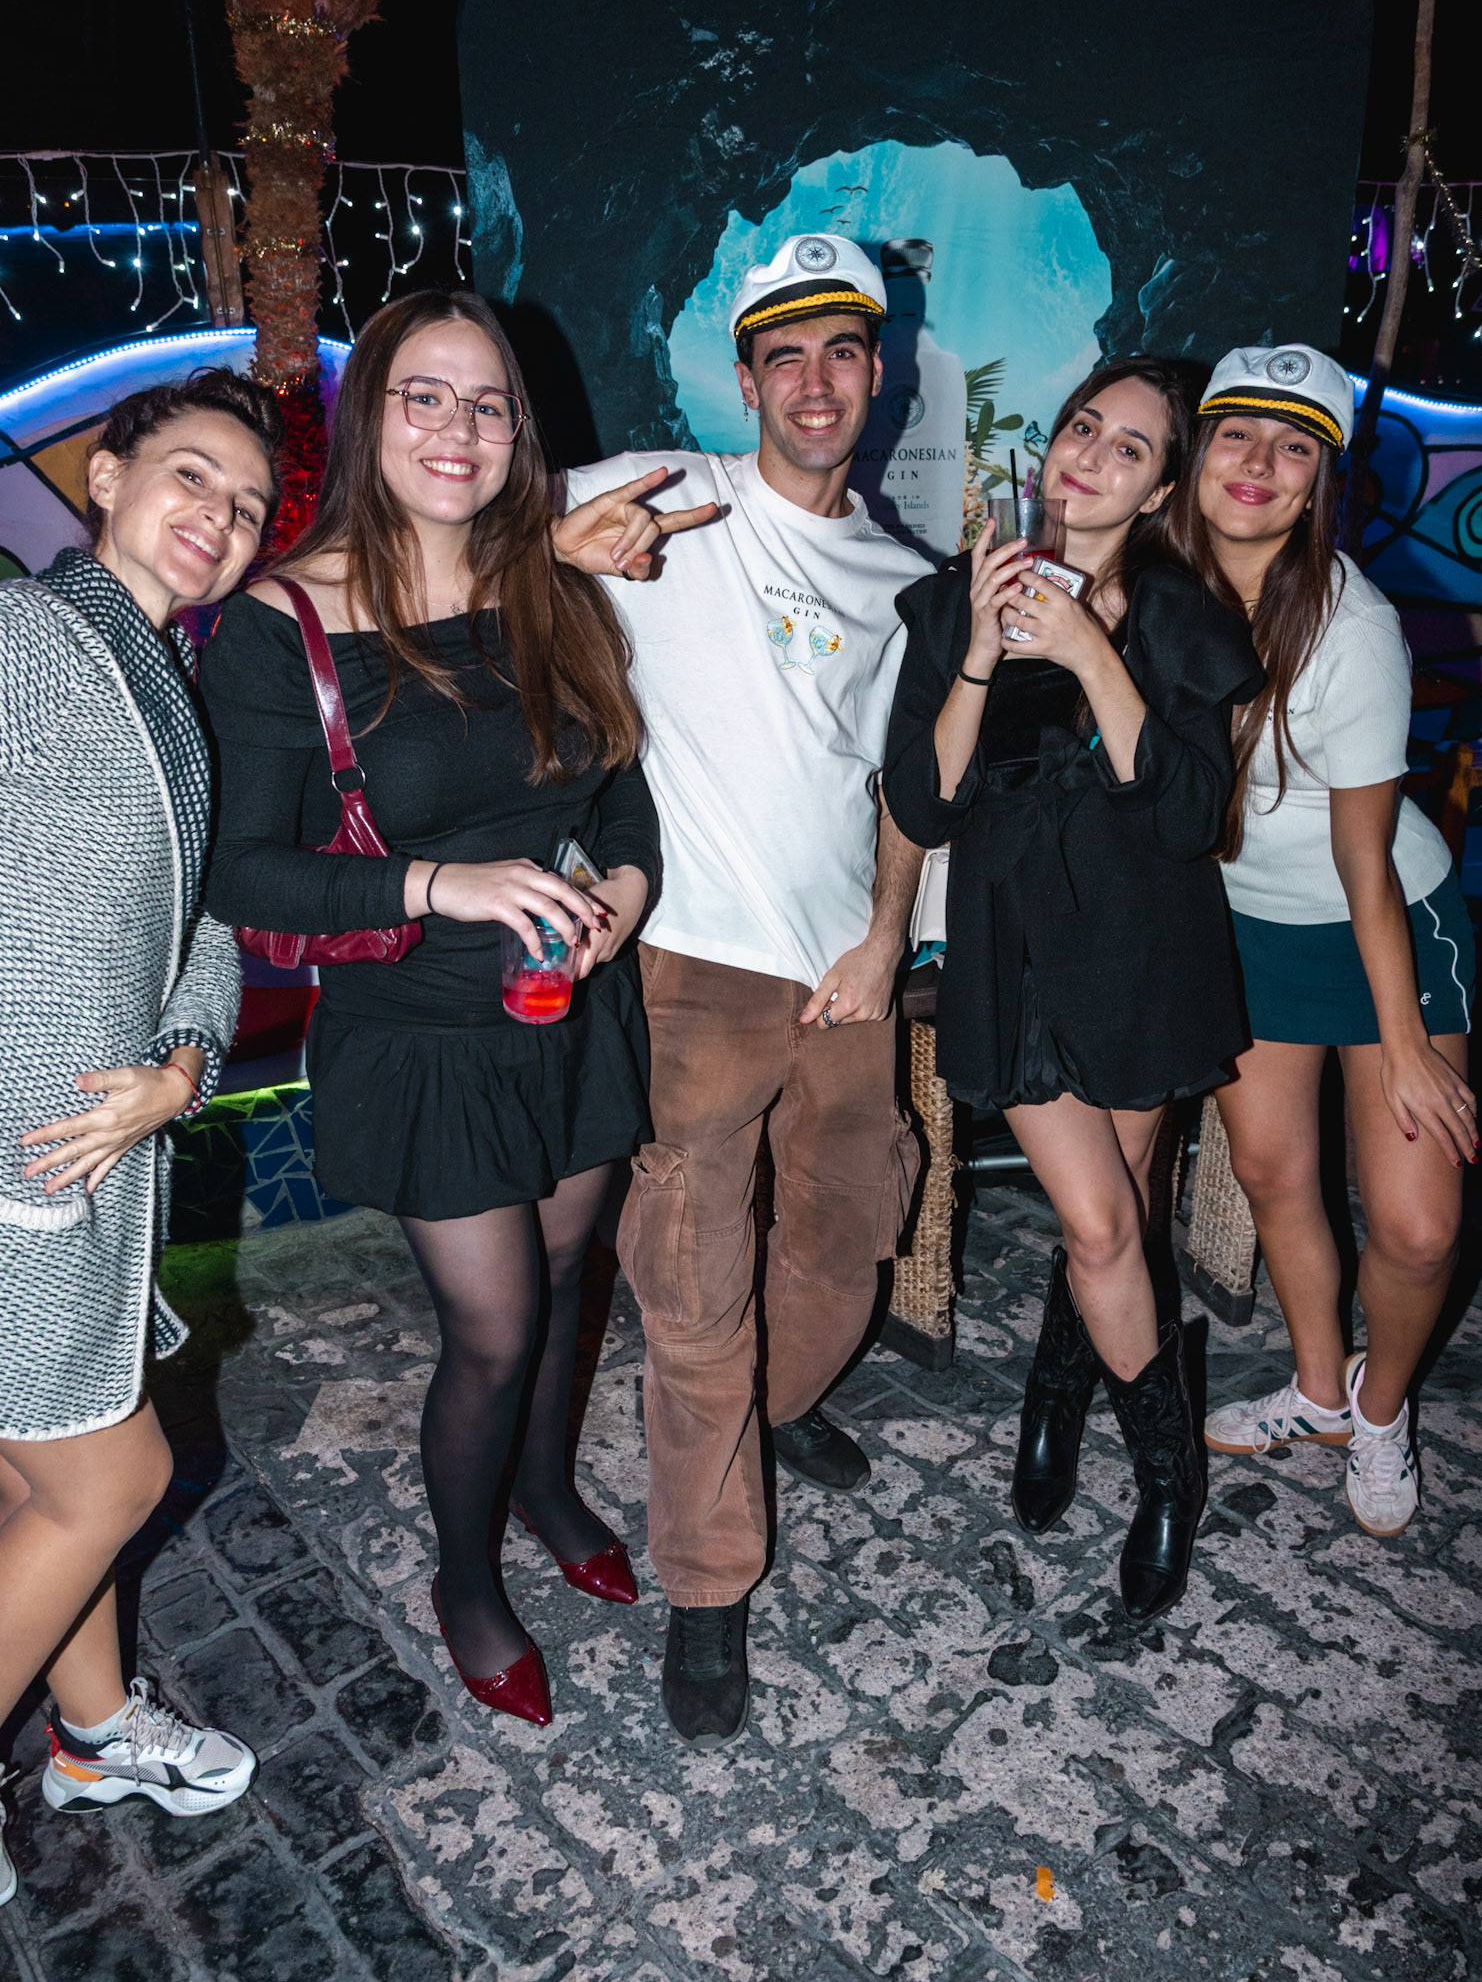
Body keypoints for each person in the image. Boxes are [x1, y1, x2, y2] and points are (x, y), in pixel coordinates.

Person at [202, 293, 706, 1726]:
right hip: (422, 1037)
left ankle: (545, 1484)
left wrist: (622, 893)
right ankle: (465, 1578)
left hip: (568, 1006)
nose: (458, 429)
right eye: (424, 395)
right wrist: (442, 883)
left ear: (517, 433)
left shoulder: (548, 585)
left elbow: (619, 783)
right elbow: (243, 871)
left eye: (488, 404)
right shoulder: (280, 622)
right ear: (370, 414)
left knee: (566, 1279)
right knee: (493, 1328)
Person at [557, 234, 926, 1745]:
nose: (814, 382)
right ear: (746, 376)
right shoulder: (654, 490)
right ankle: (709, 1576)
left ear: (878, 370)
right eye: (786, 355)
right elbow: (433, 543)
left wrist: (889, 934)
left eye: (841, 351)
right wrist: (549, 549)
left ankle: (766, 1415)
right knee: (695, 1286)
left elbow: (905, 786)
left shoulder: (903, 577)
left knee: (848, 1239)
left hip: (844, 978)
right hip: (693, 968)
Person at [883, 356, 1265, 1625]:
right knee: (1101, 1224)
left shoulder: (1181, 619)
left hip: (1145, 952)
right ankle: (1170, 1477)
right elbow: (924, 803)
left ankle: (1055, 1393)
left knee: (1124, 1207)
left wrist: (1092, 651)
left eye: (1130, 447)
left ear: (1159, 492)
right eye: (1082, 427)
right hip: (1014, 953)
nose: (1091, 455)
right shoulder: (956, 599)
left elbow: (1187, 817)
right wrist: (982, 651)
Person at [0, 370, 280, 1900]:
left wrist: (185, 1065)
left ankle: (96, 1730)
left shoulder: (169, 682)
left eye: (246, 504)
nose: (219, 517)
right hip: (19, 1176)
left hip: (97, 1171)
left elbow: (209, 923)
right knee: (109, 1479)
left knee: (35, 1485)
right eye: (190, 476)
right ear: (104, 478)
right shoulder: (26, 640)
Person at [1181, 346, 1477, 1538]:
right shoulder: (1156, 584)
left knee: (1417, 1224)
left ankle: (1380, 1406)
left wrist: (1401, 1041)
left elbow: (1364, 859)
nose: (1259, 462)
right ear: (1199, 453)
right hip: (1245, 925)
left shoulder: (1353, 627)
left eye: (1293, 445)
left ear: (1320, 481)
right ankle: (1315, 1387)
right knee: (1271, 1173)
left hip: (1383, 925)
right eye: (1237, 434)